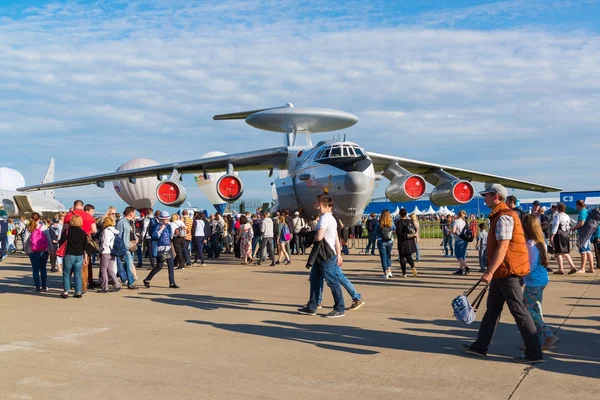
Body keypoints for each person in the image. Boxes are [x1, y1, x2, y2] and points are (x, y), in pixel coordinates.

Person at [462, 183, 544, 364]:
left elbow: (503, 247)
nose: (484, 199)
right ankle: (480, 346)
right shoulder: (500, 215)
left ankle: (534, 352)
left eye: (486, 195)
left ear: (496, 196)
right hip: (503, 272)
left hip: (507, 272)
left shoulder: (504, 217)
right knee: (492, 310)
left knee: (519, 310)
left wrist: (489, 272)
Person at [298, 196, 347, 318]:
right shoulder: (331, 218)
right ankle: (312, 306)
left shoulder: (324, 219)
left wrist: (311, 236)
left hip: (325, 255)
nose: (314, 205)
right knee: (314, 280)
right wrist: (339, 255)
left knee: (332, 282)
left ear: (321, 204)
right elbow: (336, 238)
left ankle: (339, 308)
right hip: (324, 255)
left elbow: (319, 237)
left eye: (316, 203)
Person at [521, 214, 559, 350]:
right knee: (535, 309)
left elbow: (531, 265)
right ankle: (536, 340)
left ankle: (548, 335)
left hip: (533, 282)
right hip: (540, 280)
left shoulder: (531, 244)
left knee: (528, 311)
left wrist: (520, 273)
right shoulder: (540, 240)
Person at [143, 211, 179, 289]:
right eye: (164, 219)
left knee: (170, 265)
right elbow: (154, 236)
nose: (166, 220)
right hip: (161, 249)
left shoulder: (169, 226)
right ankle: (147, 279)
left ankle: (172, 283)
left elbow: (170, 236)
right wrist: (161, 230)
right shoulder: (157, 226)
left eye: (166, 219)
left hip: (168, 248)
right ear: (161, 219)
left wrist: (175, 233)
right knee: (159, 266)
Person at [59, 214, 87, 298]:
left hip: (69, 254)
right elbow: (85, 246)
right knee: (77, 273)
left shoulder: (67, 231)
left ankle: (66, 292)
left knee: (66, 273)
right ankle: (78, 292)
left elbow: (61, 242)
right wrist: (85, 257)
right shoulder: (83, 232)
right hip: (79, 255)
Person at [24, 212, 52, 292]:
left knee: (35, 269)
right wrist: (51, 250)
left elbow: (25, 240)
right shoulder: (44, 227)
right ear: (39, 219)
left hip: (32, 251)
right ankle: (44, 286)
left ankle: (37, 287)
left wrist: (26, 249)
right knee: (43, 268)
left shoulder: (29, 227)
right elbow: (49, 239)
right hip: (44, 250)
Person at [550, 203, 576, 274]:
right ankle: (572, 266)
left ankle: (561, 269)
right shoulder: (567, 216)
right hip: (566, 234)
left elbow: (555, 225)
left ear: (558, 209)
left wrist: (552, 235)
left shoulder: (558, 216)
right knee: (565, 252)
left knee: (558, 253)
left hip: (559, 234)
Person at [116, 206, 139, 289]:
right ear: (130, 213)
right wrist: (122, 245)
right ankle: (131, 283)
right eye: (134, 213)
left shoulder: (131, 222)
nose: (135, 215)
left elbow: (132, 232)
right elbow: (119, 235)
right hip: (125, 246)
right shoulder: (121, 222)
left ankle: (119, 277)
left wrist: (136, 238)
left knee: (128, 264)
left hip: (132, 245)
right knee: (129, 265)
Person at [570, 199, 595, 274]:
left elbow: (581, 223)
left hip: (583, 234)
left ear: (578, 205)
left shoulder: (582, 212)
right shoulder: (587, 211)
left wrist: (574, 228)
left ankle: (582, 268)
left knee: (583, 250)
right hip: (588, 233)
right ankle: (591, 267)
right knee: (588, 250)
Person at [98, 216, 121, 293]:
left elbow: (105, 243)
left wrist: (100, 251)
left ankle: (105, 287)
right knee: (110, 269)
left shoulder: (106, 231)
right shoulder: (114, 231)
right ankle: (117, 284)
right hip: (112, 251)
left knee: (103, 269)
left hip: (106, 251)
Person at [395, 208, 418, 278]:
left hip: (402, 241)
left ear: (399, 214)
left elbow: (398, 233)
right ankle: (413, 266)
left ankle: (404, 273)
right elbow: (415, 229)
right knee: (408, 256)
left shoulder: (399, 222)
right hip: (410, 241)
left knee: (402, 257)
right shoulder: (410, 221)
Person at [376, 209, 394, 278]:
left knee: (383, 257)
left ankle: (385, 272)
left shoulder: (379, 223)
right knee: (388, 256)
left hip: (381, 240)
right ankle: (389, 271)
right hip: (389, 241)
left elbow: (376, 232)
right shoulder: (391, 222)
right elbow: (394, 229)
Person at [452, 210, 470, 275]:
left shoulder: (455, 221)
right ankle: (461, 269)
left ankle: (466, 268)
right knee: (462, 255)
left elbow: (454, 231)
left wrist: (452, 232)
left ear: (458, 214)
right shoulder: (464, 222)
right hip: (465, 240)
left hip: (458, 240)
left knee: (458, 255)